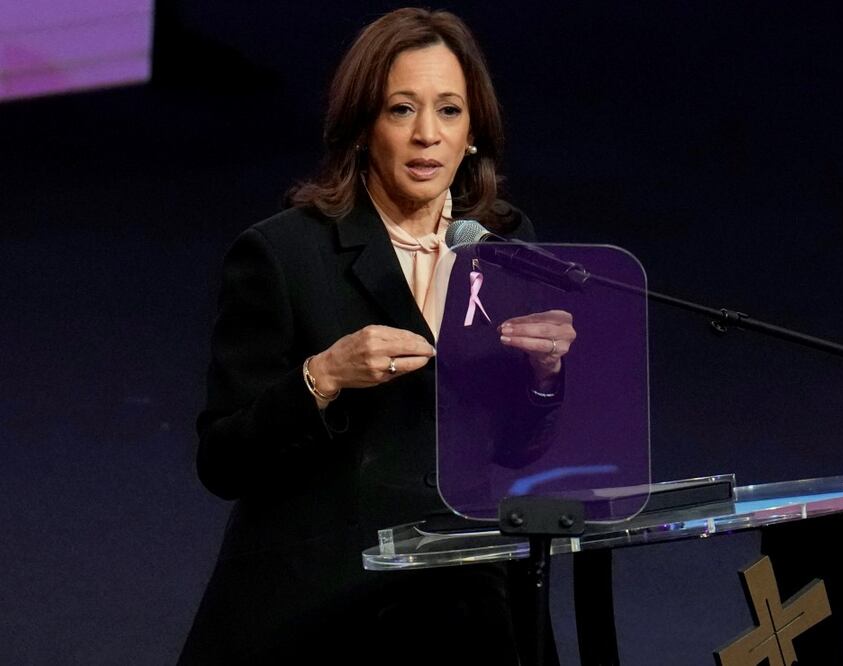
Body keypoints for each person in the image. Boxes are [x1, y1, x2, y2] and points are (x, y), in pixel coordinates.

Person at [180, 8, 574, 664]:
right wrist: (321, 379)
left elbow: (515, 451)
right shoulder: (284, 253)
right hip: (324, 613)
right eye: (400, 110)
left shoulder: (505, 245)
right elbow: (222, 462)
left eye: (448, 110)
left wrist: (542, 382)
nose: (427, 135)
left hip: (472, 604)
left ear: (474, 130)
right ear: (363, 126)